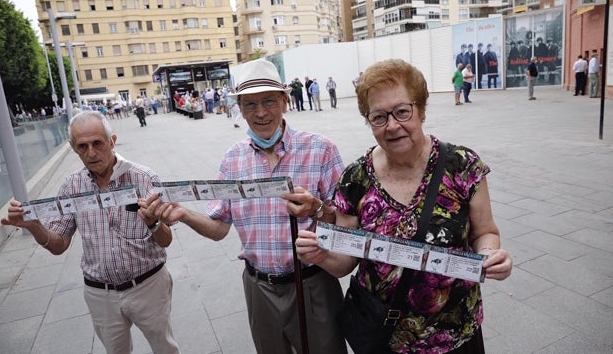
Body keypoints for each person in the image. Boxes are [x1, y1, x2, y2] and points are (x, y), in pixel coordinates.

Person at [293, 59, 513, 354]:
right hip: (384, 337)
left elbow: (485, 232)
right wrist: (321, 255)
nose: (392, 126)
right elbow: (345, 261)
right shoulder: (355, 178)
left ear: (421, 110)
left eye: (402, 111)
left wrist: (489, 256)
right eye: (379, 117)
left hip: (454, 333)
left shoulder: (462, 165)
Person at [140, 60, 348, 354]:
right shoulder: (233, 159)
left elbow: (347, 223)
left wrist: (318, 210)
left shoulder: (320, 149)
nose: (260, 113)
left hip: (313, 283)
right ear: (239, 107)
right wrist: (184, 214)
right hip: (258, 287)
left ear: (285, 102)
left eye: (268, 101)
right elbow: (219, 228)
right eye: (250, 105)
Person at [0, 111, 180, 354]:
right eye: (82, 146)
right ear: (73, 148)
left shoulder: (144, 178)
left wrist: (153, 223)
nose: (91, 153)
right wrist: (34, 226)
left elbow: (166, 240)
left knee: (165, 347)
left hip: (148, 286)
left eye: (97, 143)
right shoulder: (71, 187)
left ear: (112, 141)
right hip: (100, 293)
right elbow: (59, 244)